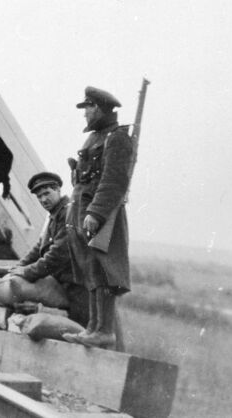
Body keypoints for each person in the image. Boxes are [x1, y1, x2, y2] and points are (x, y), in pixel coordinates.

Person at [62, 86, 134, 349]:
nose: (85, 114)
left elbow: (114, 181)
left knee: (103, 271)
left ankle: (105, 330)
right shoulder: (94, 138)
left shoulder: (117, 138)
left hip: (100, 215)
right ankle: (93, 328)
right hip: (83, 211)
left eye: (89, 107)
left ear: (101, 108)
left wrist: (96, 212)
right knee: (90, 268)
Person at [8, 172, 89, 327]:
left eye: (47, 193)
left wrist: (26, 271)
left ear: (58, 190)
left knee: (80, 334)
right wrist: (19, 266)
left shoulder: (68, 213)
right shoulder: (55, 214)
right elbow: (41, 245)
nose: (43, 200)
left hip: (80, 287)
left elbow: (58, 254)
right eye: (39, 196)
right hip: (67, 285)